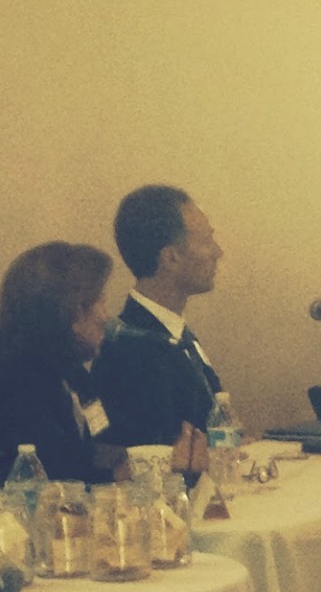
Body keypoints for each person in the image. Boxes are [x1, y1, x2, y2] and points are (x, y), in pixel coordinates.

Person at [0, 240, 124, 484]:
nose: (106, 317)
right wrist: (120, 474)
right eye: (100, 300)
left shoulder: (73, 375)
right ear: (72, 313)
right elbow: (57, 480)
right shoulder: (14, 388)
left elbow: (102, 442)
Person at [91, 184, 225, 451]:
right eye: (207, 241)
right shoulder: (129, 350)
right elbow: (158, 455)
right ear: (170, 258)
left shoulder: (175, 333)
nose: (217, 252)